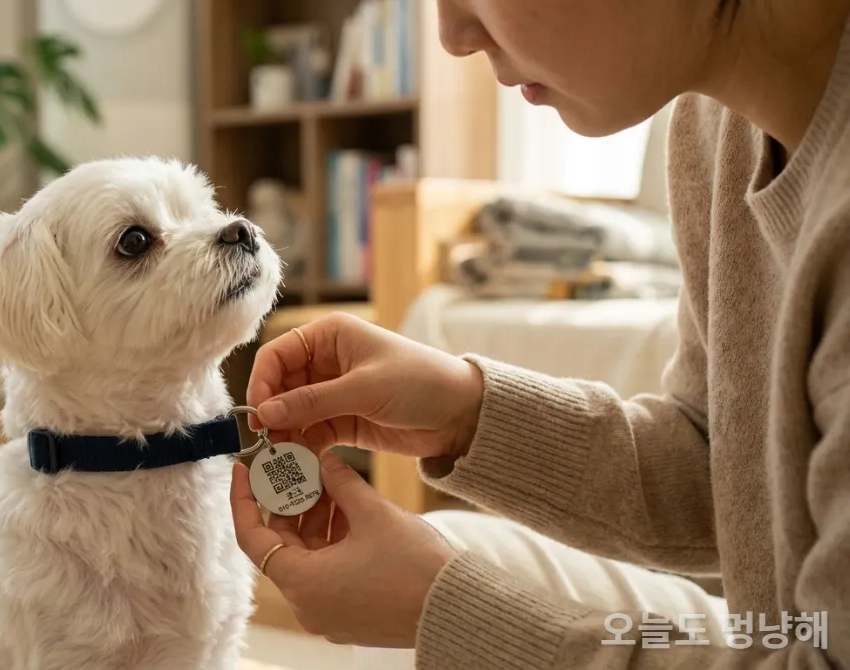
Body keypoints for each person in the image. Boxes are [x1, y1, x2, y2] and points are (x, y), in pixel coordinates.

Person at [229, 0, 850, 666]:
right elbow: (727, 470)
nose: (454, 37)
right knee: (465, 560)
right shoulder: (717, 125)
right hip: (789, 637)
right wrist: (466, 412)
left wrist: (450, 614)